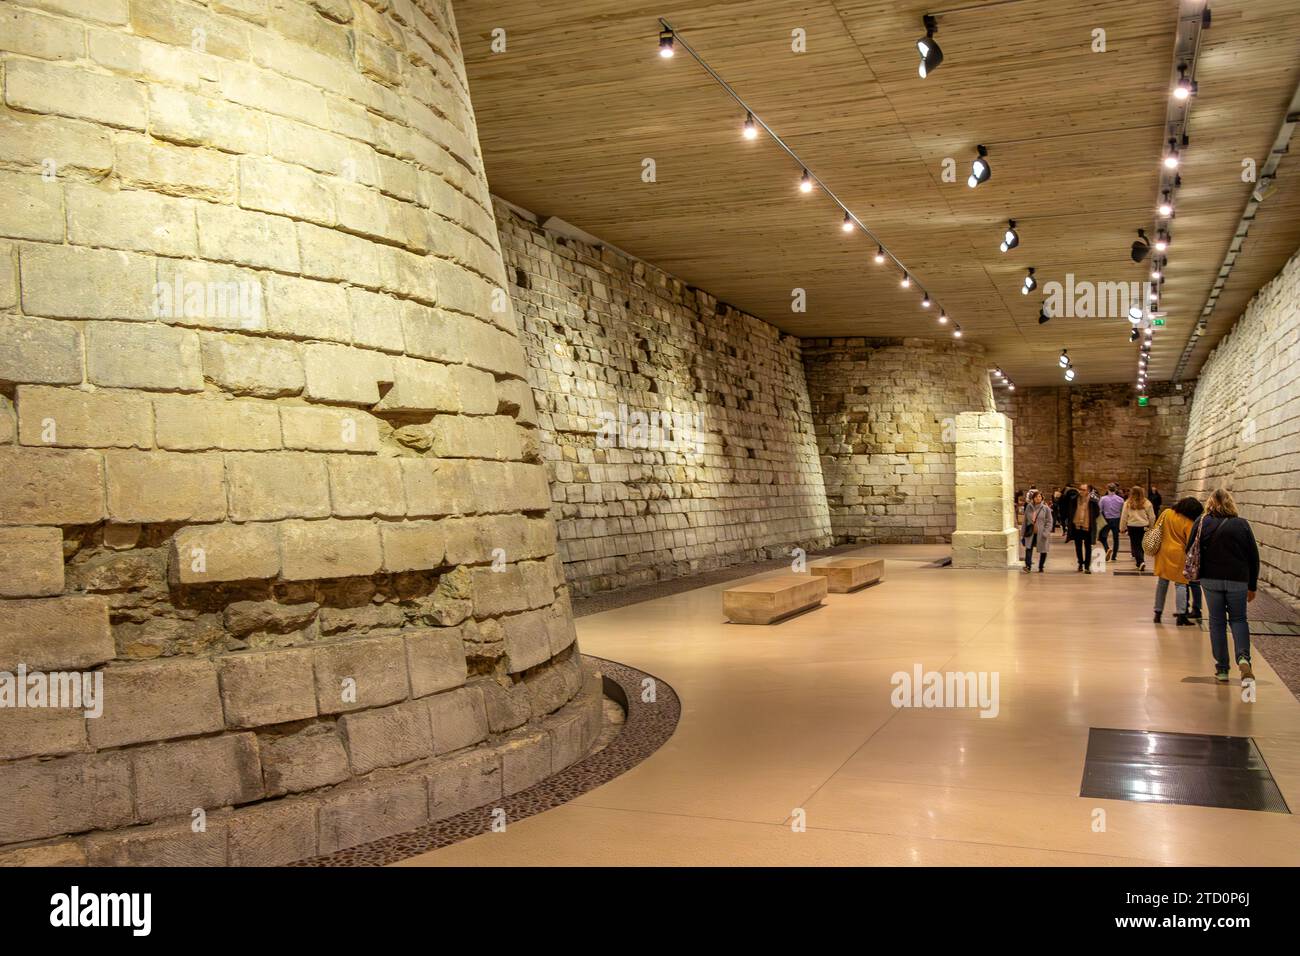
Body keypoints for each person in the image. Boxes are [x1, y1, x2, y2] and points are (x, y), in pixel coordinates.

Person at [1187, 488, 1259, 684]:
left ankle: (1222, 669)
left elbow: (1189, 548)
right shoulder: (1242, 524)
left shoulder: (1202, 522)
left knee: (1217, 622)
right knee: (1239, 620)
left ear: (1210, 503)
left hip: (1211, 579)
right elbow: (1253, 557)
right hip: (1238, 579)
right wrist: (1252, 585)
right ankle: (1244, 658)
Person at [1152, 496, 1202, 625]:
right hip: (1179, 554)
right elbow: (1191, 541)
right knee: (1181, 584)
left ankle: (1157, 613)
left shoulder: (1166, 513)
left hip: (1162, 552)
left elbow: (1157, 530)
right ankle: (1181, 616)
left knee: (1162, 583)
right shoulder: (1188, 521)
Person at [1118, 485, 1155, 571]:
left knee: (1135, 545)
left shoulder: (1127, 503)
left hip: (1132, 526)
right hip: (1144, 526)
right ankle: (1140, 562)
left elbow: (1124, 516)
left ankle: (1140, 562)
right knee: (1141, 544)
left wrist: (1122, 527)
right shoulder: (1147, 503)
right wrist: (1151, 527)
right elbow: (1152, 517)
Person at [1066, 482, 1100, 573]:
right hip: (1077, 526)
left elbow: (1097, 513)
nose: (1081, 491)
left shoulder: (1093, 501)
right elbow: (1070, 511)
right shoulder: (1074, 499)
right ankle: (1080, 563)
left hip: (1087, 526)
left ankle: (1087, 566)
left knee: (1088, 547)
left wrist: (1090, 519)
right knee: (1078, 546)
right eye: (1080, 489)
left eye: (1083, 490)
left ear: (1088, 491)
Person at [1021, 488, 1053, 573]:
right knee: (1028, 548)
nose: (1038, 498)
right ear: (1033, 498)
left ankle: (1041, 566)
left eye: (1039, 496)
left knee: (1043, 550)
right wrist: (1022, 533)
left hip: (1041, 533)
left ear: (1042, 498)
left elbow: (1049, 521)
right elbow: (1025, 520)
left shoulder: (1046, 508)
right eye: (1036, 497)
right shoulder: (1029, 507)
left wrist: (1046, 532)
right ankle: (1028, 566)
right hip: (1030, 532)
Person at [1098, 482, 1125, 560]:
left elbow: (1099, 510)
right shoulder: (1120, 499)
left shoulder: (1103, 499)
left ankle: (1107, 549)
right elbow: (1122, 511)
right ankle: (1114, 556)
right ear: (1115, 489)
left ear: (1107, 489)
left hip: (1107, 519)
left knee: (1102, 537)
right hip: (1117, 519)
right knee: (1116, 538)